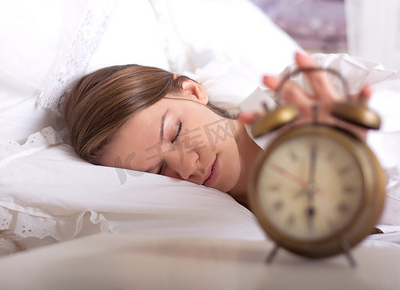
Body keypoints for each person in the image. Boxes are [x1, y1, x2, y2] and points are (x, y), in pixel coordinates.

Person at [63, 52, 371, 208]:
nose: (185, 168)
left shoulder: (314, 88)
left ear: (194, 91)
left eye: (175, 132)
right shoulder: (220, 226)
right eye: (157, 171)